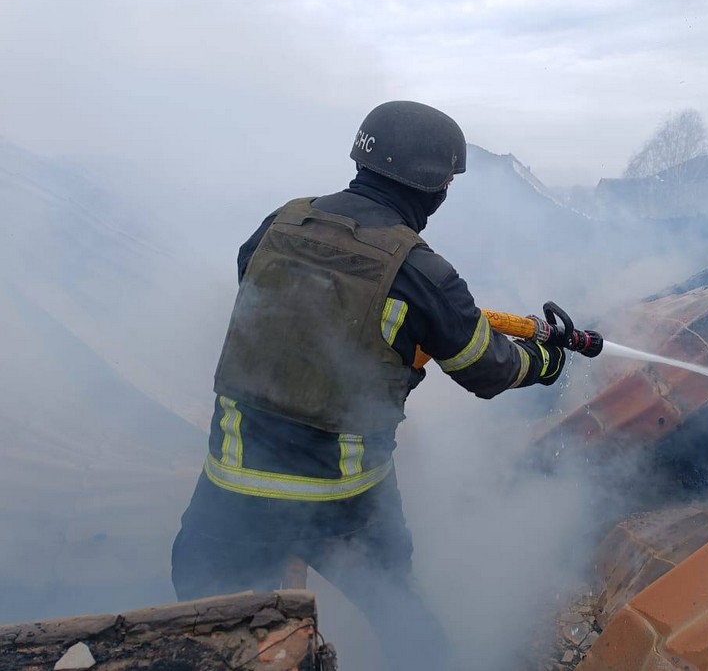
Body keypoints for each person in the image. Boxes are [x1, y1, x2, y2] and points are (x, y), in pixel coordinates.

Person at [171, 100, 566, 669]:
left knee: (210, 639)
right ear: (432, 186)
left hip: (229, 497)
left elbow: (260, 297)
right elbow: (488, 368)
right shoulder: (423, 274)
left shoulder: (281, 223)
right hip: (344, 506)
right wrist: (546, 362)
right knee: (404, 623)